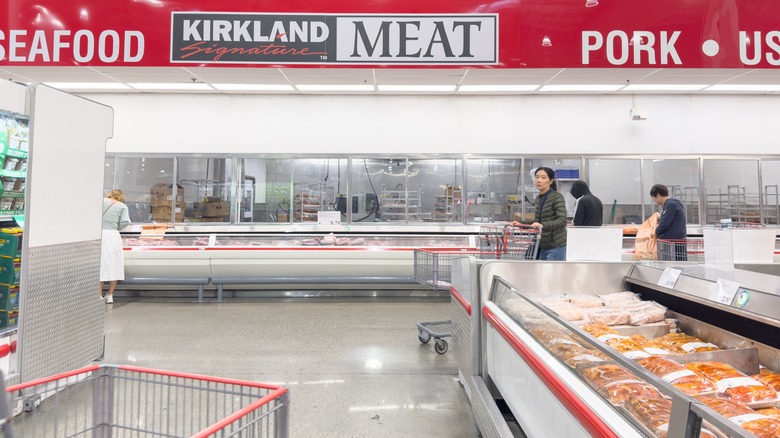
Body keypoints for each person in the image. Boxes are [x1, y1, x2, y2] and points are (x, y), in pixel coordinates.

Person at [512, 167, 567, 260]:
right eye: (537, 177)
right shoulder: (539, 198)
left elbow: (562, 220)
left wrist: (542, 225)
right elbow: (537, 221)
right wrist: (521, 224)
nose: (539, 180)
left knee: (551, 274)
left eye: (543, 177)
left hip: (555, 246)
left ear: (551, 181)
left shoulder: (557, 197)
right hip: (541, 245)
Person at [100, 189, 131, 303]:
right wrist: (116, 226)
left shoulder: (101, 202)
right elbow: (125, 222)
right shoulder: (122, 206)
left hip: (101, 234)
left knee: (102, 265)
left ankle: (99, 296)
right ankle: (110, 295)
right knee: (115, 264)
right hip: (113, 235)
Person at [650, 184, 687, 261]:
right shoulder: (673, 204)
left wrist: (656, 232)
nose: (654, 201)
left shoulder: (670, 204)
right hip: (676, 240)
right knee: (678, 263)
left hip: (673, 241)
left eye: (654, 198)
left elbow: (665, 223)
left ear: (658, 195)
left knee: (674, 264)